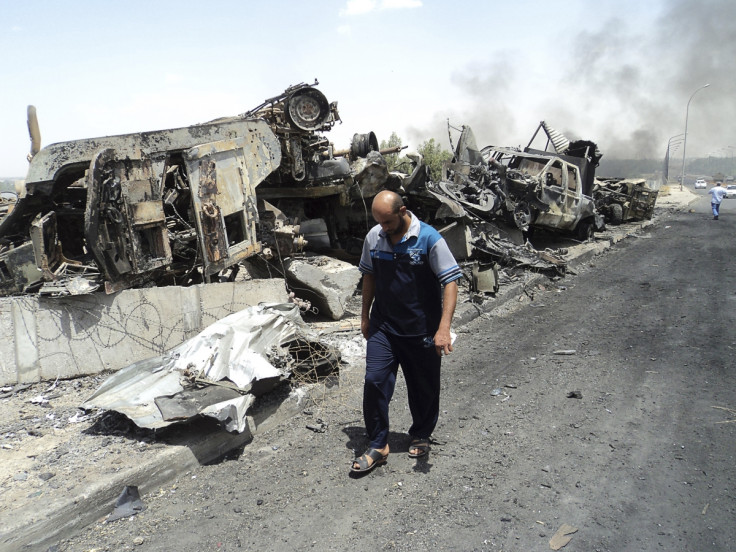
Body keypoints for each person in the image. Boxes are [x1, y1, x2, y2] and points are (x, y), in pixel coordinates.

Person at [351, 190, 462, 473]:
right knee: (374, 380)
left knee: (423, 386)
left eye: (387, 222)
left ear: (402, 212)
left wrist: (444, 328)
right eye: (379, 222)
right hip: (384, 326)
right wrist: (364, 316)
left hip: (421, 329)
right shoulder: (374, 237)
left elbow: (450, 281)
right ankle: (378, 443)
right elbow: (369, 275)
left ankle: (421, 433)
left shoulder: (429, 238)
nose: (383, 228)